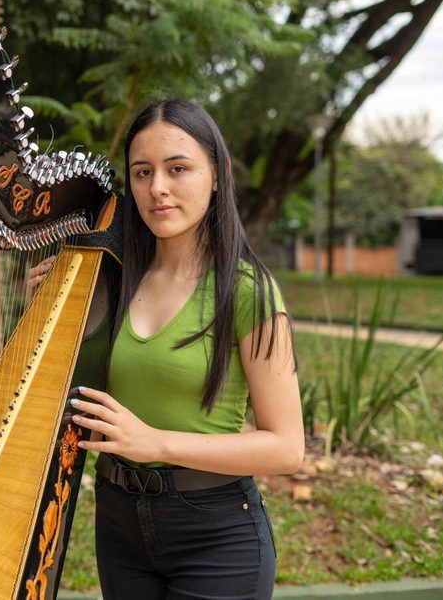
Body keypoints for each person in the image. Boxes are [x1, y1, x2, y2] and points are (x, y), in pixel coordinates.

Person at [27, 98, 303, 599]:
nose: (157, 188)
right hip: (119, 524)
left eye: (178, 169)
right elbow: (79, 400)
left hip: (216, 534)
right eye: (142, 172)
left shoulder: (246, 291)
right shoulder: (112, 281)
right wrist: (45, 318)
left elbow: (287, 447)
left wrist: (157, 443)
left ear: (216, 175)